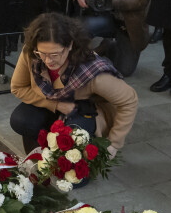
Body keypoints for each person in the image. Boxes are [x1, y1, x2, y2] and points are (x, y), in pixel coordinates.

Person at [9, 12, 139, 155]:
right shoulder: (32, 53)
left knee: (74, 134)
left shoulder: (91, 70)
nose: (48, 61)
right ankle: (44, 153)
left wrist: (114, 143)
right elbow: (18, 88)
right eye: (42, 54)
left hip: (83, 108)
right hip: (51, 101)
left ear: (70, 45)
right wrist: (56, 105)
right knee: (21, 120)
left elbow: (129, 100)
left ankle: (80, 154)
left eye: (55, 54)